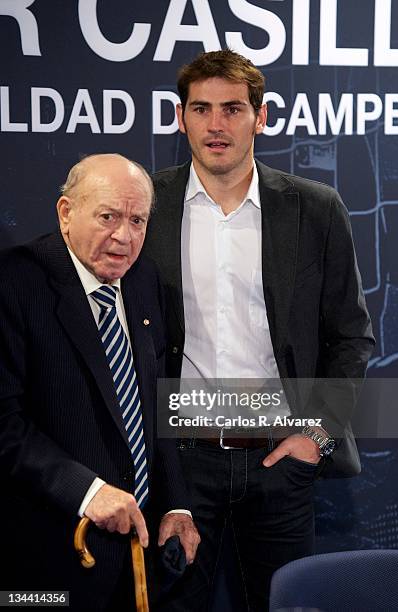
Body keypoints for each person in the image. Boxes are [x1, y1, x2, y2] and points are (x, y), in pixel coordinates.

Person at [142, 50, 375, 611]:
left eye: (232, 109)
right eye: (201, 109)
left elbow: (351, 336)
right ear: (180, 118)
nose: (216, 125)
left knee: (284, 605)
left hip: (280, 464)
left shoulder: (315, 209)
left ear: (261, 116)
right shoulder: (146, 204)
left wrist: (314, 437)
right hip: (180, 465)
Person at [0, 154, 200, 611]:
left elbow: (155, 401)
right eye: (108, 216)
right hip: (47, 560)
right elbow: (4, 423)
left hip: (139, 562)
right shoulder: (13, 283)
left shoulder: (144, 279)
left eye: (138, 220)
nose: (124, 237)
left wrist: (175, 504)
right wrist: (88, 492)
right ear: (66, 212)